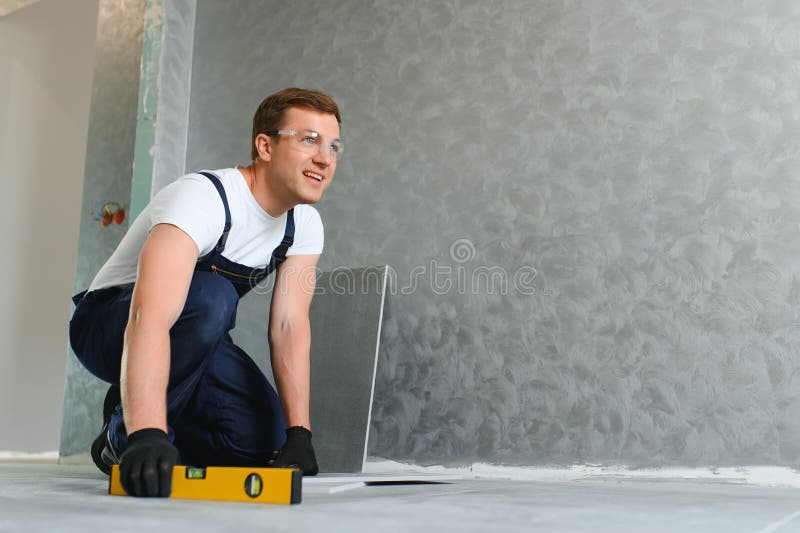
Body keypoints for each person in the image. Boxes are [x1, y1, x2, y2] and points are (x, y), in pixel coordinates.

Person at [69, 87, 343, 497]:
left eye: (334, 146)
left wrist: (298, 433)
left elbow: (289, 325)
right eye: (309, 140)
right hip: (110, 326)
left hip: (195, 338)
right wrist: (145, 432)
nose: (325, 158)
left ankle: (135, 417)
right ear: (265, 146)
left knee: (260, 439)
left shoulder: (303, 224)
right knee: (214, 296)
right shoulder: (204, 198)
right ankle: (125, 435)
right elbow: (150, 314)